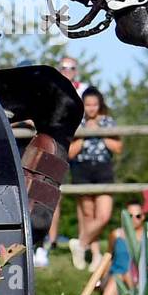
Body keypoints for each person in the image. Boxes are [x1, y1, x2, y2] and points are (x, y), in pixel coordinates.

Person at [35, 57, 89, 267]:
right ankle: (48, 241)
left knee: (84, 202)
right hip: (59, 144)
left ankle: (82, 244)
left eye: (71, 68)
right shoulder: (52, 89)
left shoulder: (85, 90)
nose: (68, 71)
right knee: (48, 193)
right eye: (64, 67)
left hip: (79, 148)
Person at [67, 86, 121, 272]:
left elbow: (117, 148)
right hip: (82, 169)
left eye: (94, 104)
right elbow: (71, 153)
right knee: (88, 215)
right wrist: (84, 134)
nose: (91, 108)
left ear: (100, 105)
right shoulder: (76, 122)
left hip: (103, 169)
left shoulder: (108, 122)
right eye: (87, 104)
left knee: (103, 215)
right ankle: (95, 255)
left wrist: (98, 131)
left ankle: (80, 244)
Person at [98, 201, 144, 295]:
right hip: (115, 275)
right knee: (118, 277)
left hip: (138, 277)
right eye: (130, 216)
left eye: (138, 216)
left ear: (143, 217)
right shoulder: (116, 235)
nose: (134, 219)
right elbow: (108, 257)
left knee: (128, 273)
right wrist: (99, 278)